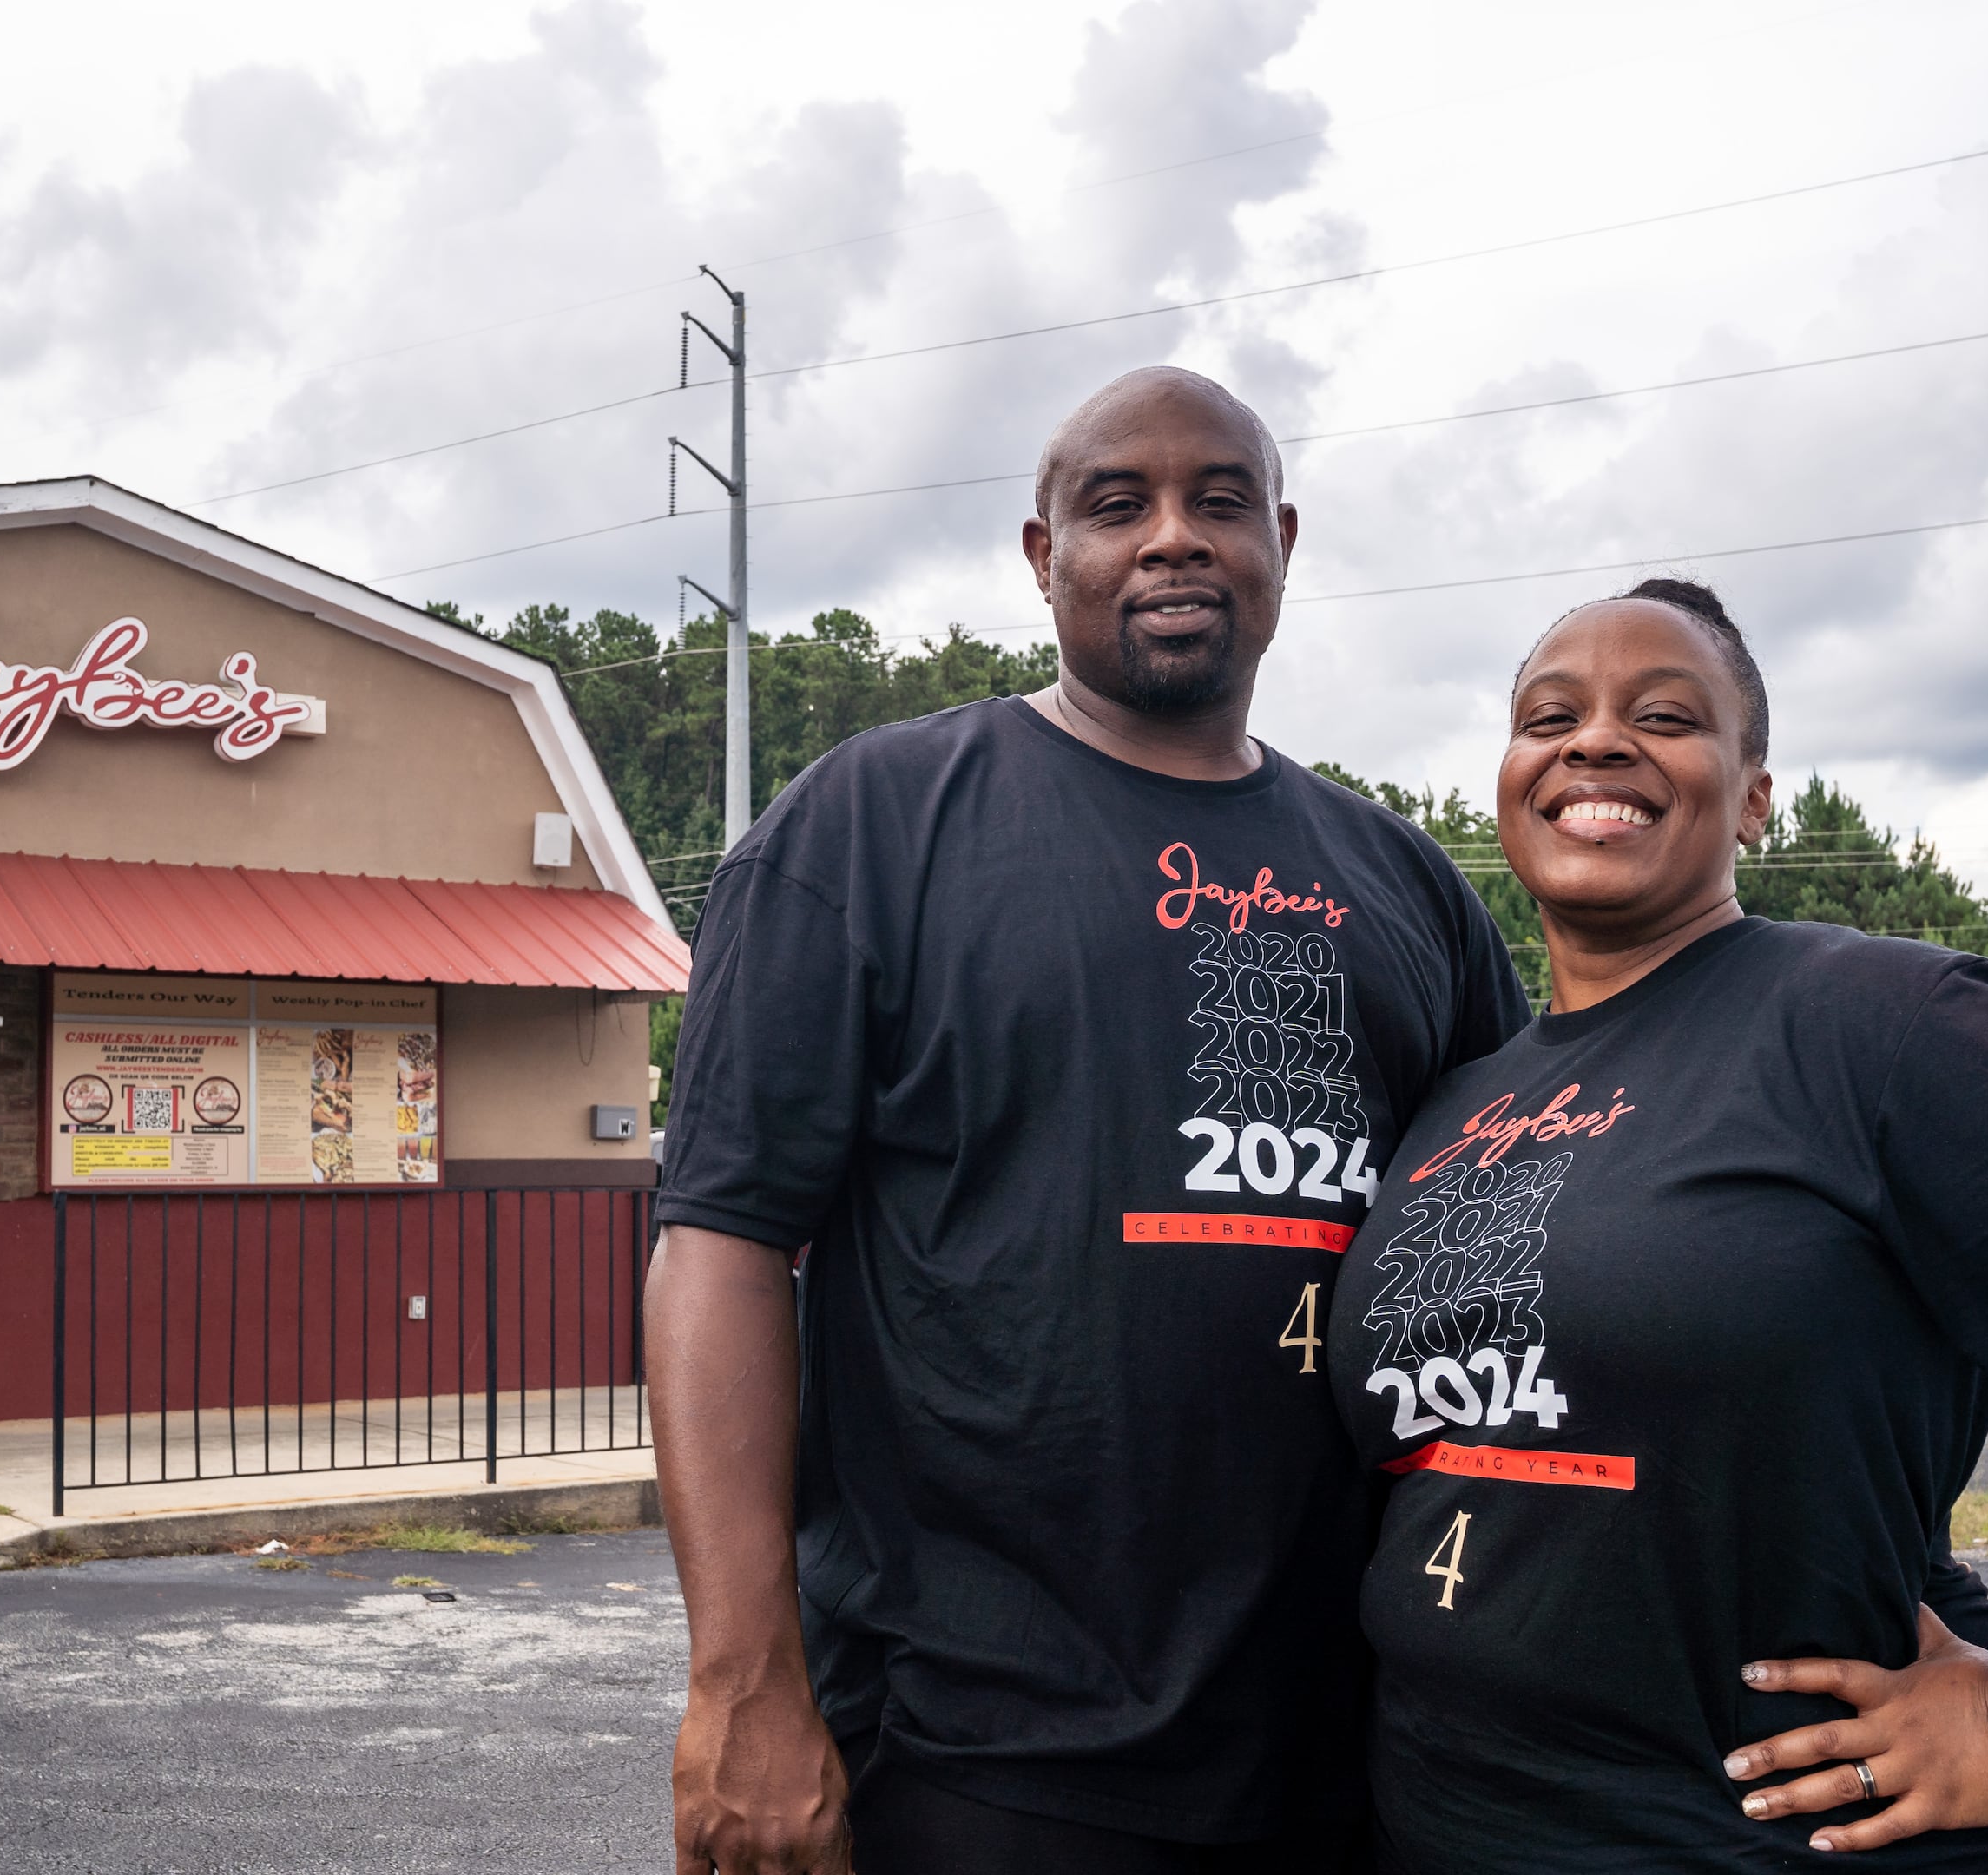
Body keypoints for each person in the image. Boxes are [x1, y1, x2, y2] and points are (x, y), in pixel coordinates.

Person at [646, 367, 1534, 1873]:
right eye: (1118, 505)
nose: (1174, 537)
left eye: (1221, 501)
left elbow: (1524, 1260)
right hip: (976, 1746)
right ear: (1042, 555)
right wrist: (744, 1684)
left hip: (1357, 1739)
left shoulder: (1407, 885)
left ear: (1285, 545)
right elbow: (722, 1248)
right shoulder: (871, 825)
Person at [1328, 579, 1988, 1869]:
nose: (1596, 740)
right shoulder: (1470, 1096)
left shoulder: (1882, 1022)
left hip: (1765, 1836)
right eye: (1549, 714)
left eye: (1666, 715)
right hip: (1458, 1819)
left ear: (1752, 796)